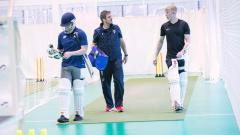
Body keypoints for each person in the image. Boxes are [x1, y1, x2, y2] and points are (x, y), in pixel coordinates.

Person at [153, 4, 190, 112]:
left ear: (174, 12)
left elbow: (188, 41)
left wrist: (182, 51)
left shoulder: (184, 24)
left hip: (182, 57)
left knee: (182, 81)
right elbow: (160, 41)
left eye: (167, 12)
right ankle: (175, 103)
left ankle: (180, 103)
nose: (165, 14)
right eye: (165, 12)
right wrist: (155, 56)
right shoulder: (164, 26)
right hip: (170, 58)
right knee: (174, 80)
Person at [92, 10, 128, 112]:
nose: (111, 18)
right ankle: (109, 105)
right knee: (105, 84)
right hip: (104, 63)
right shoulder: (97, 31)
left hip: (117, 60)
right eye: (109, 17)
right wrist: (97, 55)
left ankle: (119, 105)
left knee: (119, 82)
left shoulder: (116, 28)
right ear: (103, 19)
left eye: (111, 16)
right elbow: (93, 45)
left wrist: (126, 54)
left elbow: (121, 42)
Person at [57, 12, 88, 123]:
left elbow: (84, 49)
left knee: (78, 90)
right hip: (65, 66)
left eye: (67, 25)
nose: (66, 27)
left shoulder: (81, 33)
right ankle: (64, 115)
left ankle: (79, 114)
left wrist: (71, 53)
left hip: (79, 66)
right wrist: (55, 53)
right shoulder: (61, 35)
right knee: (63, 89)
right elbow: (60, 50)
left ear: (73, 22)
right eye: (64, 25)